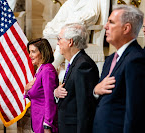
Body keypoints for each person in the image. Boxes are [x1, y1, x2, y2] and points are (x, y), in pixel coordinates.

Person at [93, 5, 145, 133]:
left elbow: (134, 110)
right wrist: (95, 90)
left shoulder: (136, 59)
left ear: (126, 28)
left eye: (111, 22)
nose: (105, 26)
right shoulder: (110, 59)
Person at [54, 23, 99, 133]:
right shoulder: (75, 62)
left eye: (59, 39)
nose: (57, 42)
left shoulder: (83, 66)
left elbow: (84, 108)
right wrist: (56, 93)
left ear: (70, 42)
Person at [43, 0, 100, 71]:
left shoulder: (91, 2)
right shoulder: (69, 3)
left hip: (78, 35)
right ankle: (41, 70)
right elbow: (57, 20)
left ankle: (49, 70)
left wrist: (68, 25)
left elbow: (91, 16)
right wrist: (52, 28)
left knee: (62, 42)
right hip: (61, 32)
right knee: (44, 42)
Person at [24, 38, 58, 133]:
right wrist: (26, 90)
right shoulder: (41, 70)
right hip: (37, 120)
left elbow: (49, 99)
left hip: (44, 124)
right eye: (29, 52)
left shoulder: (47, 70)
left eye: (33, 52)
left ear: (43, 52)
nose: (30, 55)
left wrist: (47, 125)